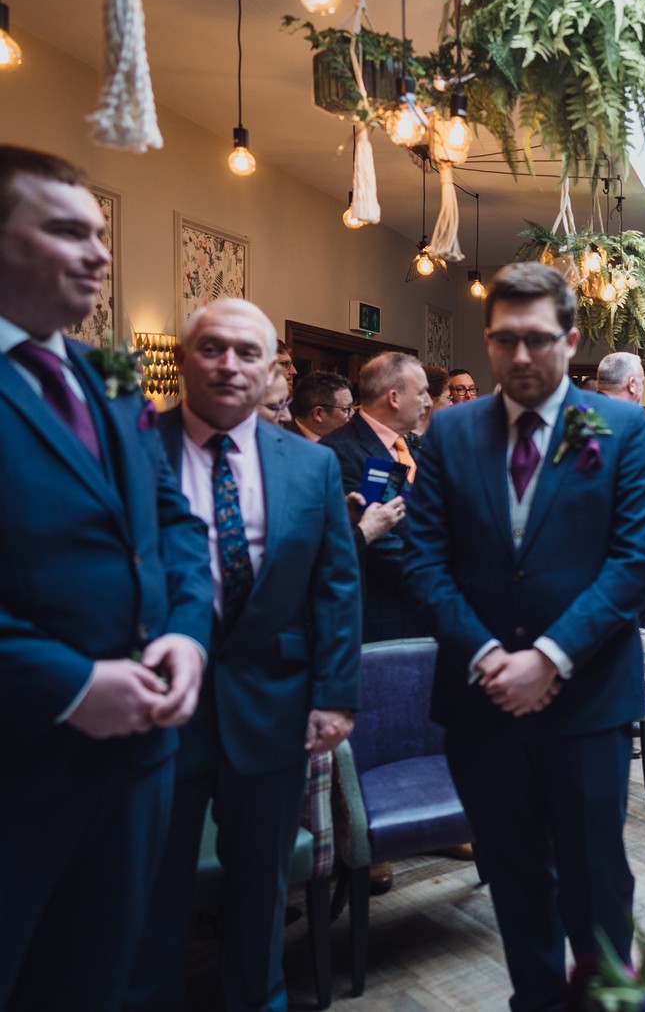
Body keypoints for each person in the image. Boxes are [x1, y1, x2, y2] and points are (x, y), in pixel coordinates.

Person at [402, 262, 645, 1011]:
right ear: (488, 340)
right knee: (513, 876)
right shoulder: (451, 431)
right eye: (503, 339)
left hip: (587, 701)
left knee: (596, 877)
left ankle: (609, 1000)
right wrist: (489, 657)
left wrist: (549, 658)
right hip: (482, 703)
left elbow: (632, 563)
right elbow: (424, 562)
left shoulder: (619, 427)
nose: (519, 355)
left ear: (570, 341)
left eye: (537, 339)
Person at [0, 145, 212, 1010]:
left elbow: (173, 525)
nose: (100, 253)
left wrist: (187, 633)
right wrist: (69, 682)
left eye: (100, 233)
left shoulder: (110, 378)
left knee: (99, 983)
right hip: (20, 756)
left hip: (136, 759)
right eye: (66, 231)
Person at [128, 298, 361, 1012]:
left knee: (261, 890)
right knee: (150, 890)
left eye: (248, 352)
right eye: (212, 348)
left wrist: (335, 695)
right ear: (183, 358)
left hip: (275, 706)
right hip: (156, 709)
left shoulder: (312, 465)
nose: (230, 365)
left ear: (270, 372)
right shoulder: (132, 447)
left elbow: (336, 584)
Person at [320, 351, 432, 641]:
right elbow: (378, 541)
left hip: (426, 611)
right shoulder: (338, 451)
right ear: (394, 398)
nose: (428, 402)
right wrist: (438, 575)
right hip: (385, 616)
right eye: (421, 393)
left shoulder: (414, 449)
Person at [596, 350, 645, 543]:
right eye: (642, 382)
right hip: (622, 542)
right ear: (632, 384)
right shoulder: (622, 425)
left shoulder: (580, 416)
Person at [287, 370, 354, 442]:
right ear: (318, 414)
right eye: (346, 409)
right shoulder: (285, 443)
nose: (353, 413)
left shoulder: (350, 441)